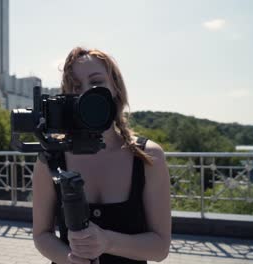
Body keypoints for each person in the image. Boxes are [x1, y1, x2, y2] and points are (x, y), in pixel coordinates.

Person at [32, 47, 171, 264]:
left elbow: (160, 248)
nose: (87, 93)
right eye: (76, 87)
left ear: (115, 87)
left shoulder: (148, 157)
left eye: (96, 83)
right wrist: (69, 260)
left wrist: (107, 241)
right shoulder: (51, 156)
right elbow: (42, 234)